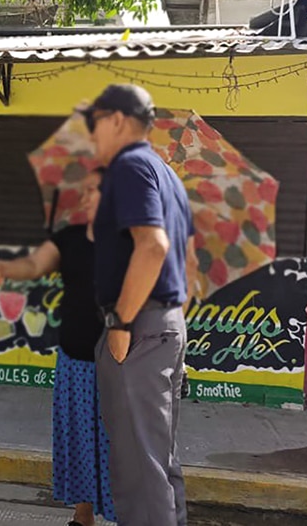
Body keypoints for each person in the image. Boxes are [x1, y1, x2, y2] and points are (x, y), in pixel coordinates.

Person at [82, 84, 193, 526]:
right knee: (157, 462)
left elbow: (153, 246)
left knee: (138, 470)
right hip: (163, 323)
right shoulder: (164, 172)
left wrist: (122, 322)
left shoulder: (129, 166)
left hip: (140, 328)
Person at [0, 168, 116, 526]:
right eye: (84, 191)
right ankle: (83, 515)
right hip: (75, 357)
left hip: (120, 361)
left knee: (118, 445)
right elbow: (34, 264)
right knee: (79, 439)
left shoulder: (134, 241)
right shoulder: (70, 237)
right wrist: (0, 267)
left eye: (94, 191)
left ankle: (126, 514)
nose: (86, 197)